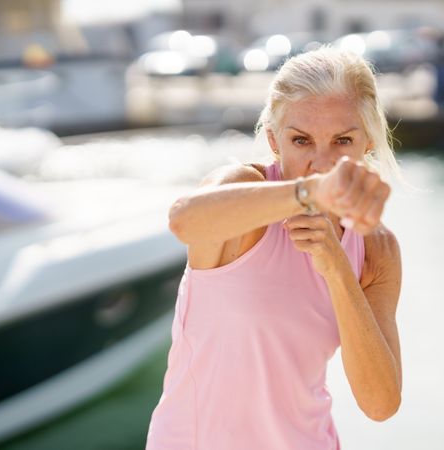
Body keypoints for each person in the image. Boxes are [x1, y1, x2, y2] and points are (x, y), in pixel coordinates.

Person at [146, 47, 403, 450]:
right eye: (301, 140)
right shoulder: (241, 193)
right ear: (274, 140)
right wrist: (310, 193)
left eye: (342, 140)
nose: (322, 162)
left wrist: (336, 268)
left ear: (367, 142)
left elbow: (380, 403)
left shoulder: (376, 247)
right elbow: (183, 220)